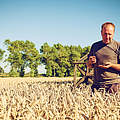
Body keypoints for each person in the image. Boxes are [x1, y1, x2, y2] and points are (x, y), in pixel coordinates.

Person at [88, 22, 120, 93]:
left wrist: (111, 65)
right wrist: (90, 62)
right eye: (105, 34)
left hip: (114, 85)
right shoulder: (95, 46)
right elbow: (89, 66)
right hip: (97, 85)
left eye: (110, 34)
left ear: (113, 33)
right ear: (101, 32)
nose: (107, 37)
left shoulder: (118, 46)